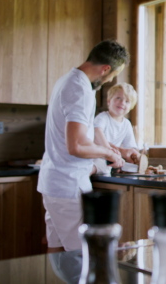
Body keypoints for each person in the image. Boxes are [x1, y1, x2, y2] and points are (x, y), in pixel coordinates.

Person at [37, 40, 130, 252]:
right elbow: (76, 145)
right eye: (113, 75)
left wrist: (110, 148)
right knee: (85, 257)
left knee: (58, 252)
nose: (110, 79)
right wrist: (107, 153)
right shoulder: (80, 90)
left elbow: (78, 138)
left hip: (54, 183)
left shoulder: (67, 80)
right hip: (68, 186)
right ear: (106, 69)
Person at [93, 82, 140, 175]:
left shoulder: (126, 124)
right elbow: (96, 132)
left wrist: (134, 157)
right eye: (118, 98)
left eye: (127, 101)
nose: (122, 103)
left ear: (131, 106)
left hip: (110, 162)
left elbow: (130, 147)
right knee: (100, 164)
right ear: (109, 101)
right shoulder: (103, 117)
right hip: (96, 157)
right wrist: (109, 152)